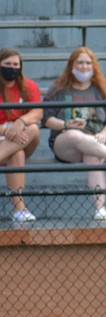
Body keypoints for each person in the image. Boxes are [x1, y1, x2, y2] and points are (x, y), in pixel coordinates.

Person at [42, 47, 106, 221]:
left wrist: (103, 134)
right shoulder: (59, 89)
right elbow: (46, 118)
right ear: (72, 65)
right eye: (80, 62)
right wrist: (66, 124)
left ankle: (100, 209)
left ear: (94, 66)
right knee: (75, 135)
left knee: (93, 157)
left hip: (95, 142)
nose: (84, 66)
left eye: (88, 63)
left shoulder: (101, 89)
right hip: (65, 143)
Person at [0, 47, 42, 222]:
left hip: (23, 135)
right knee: (16, 154)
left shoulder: (28, 85)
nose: (12, 68)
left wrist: (21, 122)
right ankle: (20, 210)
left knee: (34, 128)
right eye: (7, 64)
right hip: (3, 135)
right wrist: (4, 130)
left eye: (15, 64)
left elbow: (38, 113)